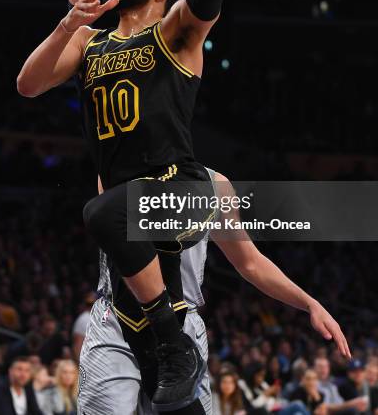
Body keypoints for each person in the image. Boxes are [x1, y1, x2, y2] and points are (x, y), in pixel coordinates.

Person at [17, 0, 350, 412]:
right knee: (109, 207)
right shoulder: (89, 43)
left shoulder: (175, 33)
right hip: (116, 315)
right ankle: (167, 346)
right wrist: (72, 15)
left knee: (103, 208)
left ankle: (174, 340)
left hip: (182, 192)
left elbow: (248, 261)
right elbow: (29, 84)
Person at [78, 171, 351, 415]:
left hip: (182, 323)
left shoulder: (215, 185)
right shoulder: (117, 170)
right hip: (119, 318)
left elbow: (250, 262)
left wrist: (309, 303)